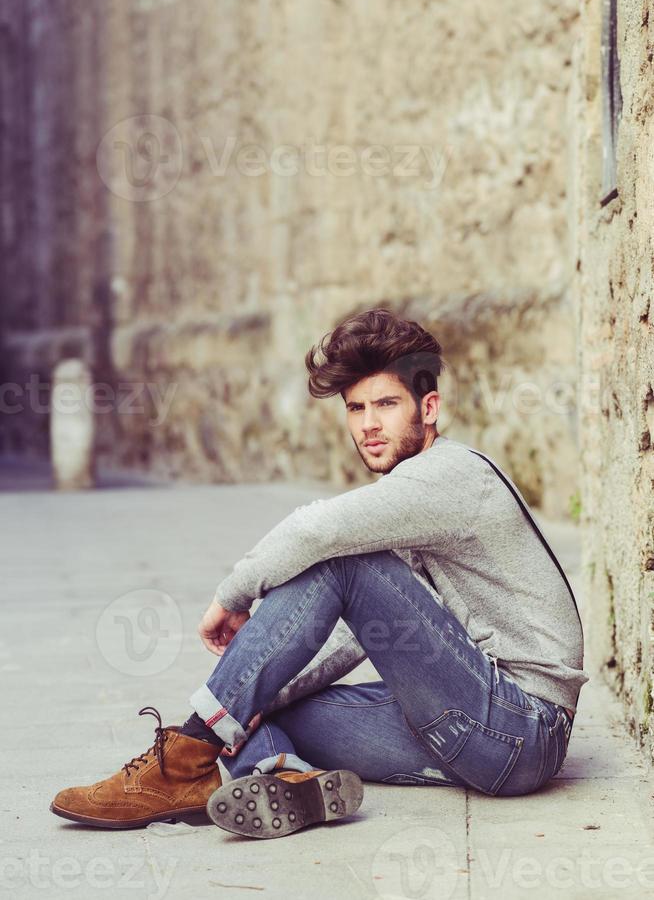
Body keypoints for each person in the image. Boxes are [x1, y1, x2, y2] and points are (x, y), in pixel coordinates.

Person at [50, 307, 589, 838]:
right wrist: (255, 698)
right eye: (356, 409)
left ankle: (185, 756)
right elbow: (359, 632)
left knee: (342, 561)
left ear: (429, 408)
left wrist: (232, 595)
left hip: (520, 724)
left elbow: (317, 532)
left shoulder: (449, 476)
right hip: (477, 728)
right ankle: (278, 773)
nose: (369, 425)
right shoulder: (410, 503)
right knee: (267, 709)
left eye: (386, 405)